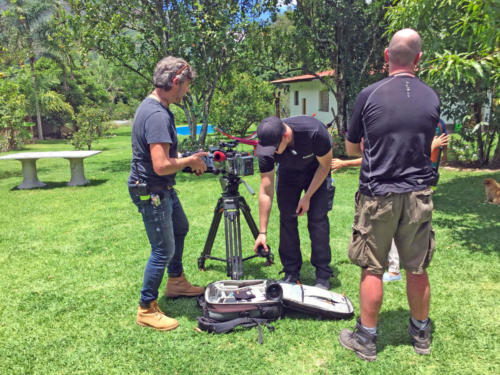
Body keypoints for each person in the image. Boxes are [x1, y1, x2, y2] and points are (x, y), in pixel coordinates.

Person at [338, 29, 440, 361]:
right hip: (417, 194)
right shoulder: (431, 98)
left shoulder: (369, 95)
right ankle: (421, 333)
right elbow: (425, 144)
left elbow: (352, 147)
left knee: (372, 268)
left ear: (386, 56)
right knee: (417, 268)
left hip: (378, 194)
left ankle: (366, 339)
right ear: (418, 59)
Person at [128, 56, 208, 331]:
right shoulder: (157, 115)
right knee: (163, 249)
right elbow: (161, 165)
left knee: (181, 228)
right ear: (175, 81)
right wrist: (189, 162)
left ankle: (176, 282)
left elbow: (161, 157)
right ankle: (146, 308)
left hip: (160, 187)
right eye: (186, 86)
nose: (187, 91)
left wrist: (186, 157)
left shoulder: (156, 109)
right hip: (151, 189)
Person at [331, 132, 448, 283]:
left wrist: (432, 147)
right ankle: (391, 266)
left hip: (401, 192)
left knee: (393, 231)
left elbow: (409, 157)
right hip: (397, 191)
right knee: (392, 232)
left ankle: (393, 270)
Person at [253, 116, 333, 289]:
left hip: (316, 171)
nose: (271, 153)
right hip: (288, 174)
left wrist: (308, 197)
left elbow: (325, 166)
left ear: (286, 136)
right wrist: (262, 232)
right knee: (287, 219)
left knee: (317, 221)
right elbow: (266, 190)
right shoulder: (268, 148)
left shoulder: (314, 132)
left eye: (274, 149)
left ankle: (323, 275)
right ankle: (291, 272)